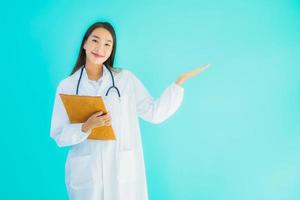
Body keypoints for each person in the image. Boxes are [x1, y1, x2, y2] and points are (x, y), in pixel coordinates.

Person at [50, 21, 209, 200]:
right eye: (95, 40)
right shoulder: (67, 86)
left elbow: (154, 112)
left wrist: (179, 83)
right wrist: (85, 127)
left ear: (111, 50)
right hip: (88, 175)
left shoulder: (124, 80)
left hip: (121, 171)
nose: (100, 48)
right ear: (85, 43)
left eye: (107, 44)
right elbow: (59, 134)